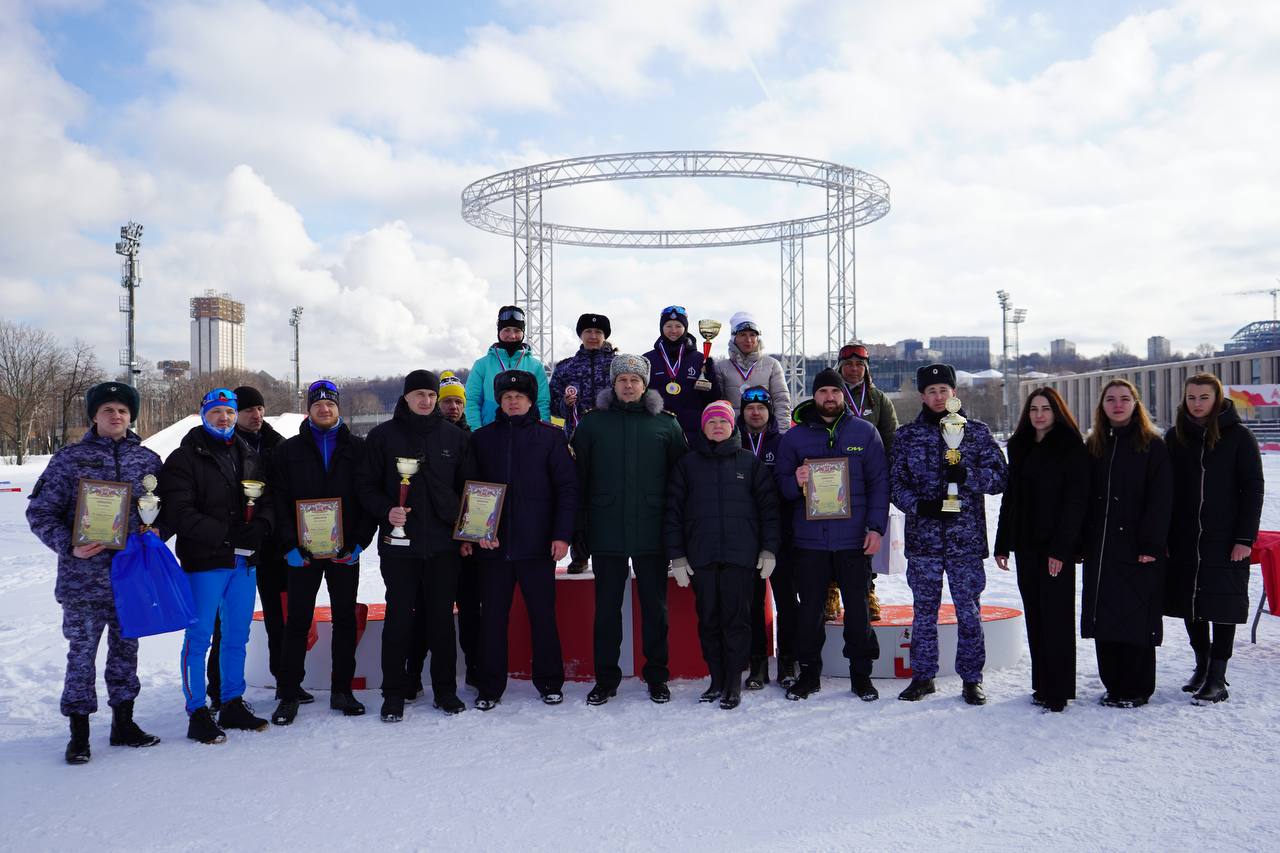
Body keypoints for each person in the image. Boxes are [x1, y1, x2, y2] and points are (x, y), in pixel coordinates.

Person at [26, 382, 162, 763]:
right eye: (108, 410)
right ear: (94, 416)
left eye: (122, 409)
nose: (115, 416)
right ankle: (79, 733)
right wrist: (69, 545)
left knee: (126, 652)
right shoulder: (69, 460)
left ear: (131, 415)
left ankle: (124, 724)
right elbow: (40, 513)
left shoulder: (149, 462)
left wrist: (153, 535)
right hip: (82, 578)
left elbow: (165, 513)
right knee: (81, 654)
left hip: (130, 576)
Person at [159, 388, 274, 743]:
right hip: (205, 562)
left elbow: (267, 498)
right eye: (216, 413)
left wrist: (261, 528)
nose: (223, 418)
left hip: (243, 563)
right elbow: (179, 512)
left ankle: (232, 701)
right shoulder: (185, 457)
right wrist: (227, 534)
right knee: (199, 638)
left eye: (228, 412)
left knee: (237, 635)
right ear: (203, 414)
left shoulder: (248, 453)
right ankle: (196, 709)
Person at [572, 353, 687, 705]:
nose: (628, 385)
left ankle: (657, 677)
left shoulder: (665, 424)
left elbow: (681, 482)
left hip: (652, 533)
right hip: (607, 532)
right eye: (622, 379)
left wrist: (676, 537)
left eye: (635, 380)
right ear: (614, 383)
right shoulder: (593, 425)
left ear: (644, 384)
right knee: (606, 610)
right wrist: (581, 536)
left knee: (655, 609)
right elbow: (578, 482)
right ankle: (605, 679)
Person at [890, 364, 1007, 706]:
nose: (939, 397)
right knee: (923, 612)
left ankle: (971, 679)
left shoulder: (977, 433)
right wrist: (920, 506)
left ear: (954, 393)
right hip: (924, 542)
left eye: (944, 390)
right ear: (922, 396)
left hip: (965, 542)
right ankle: (923, 676)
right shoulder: (907, 436)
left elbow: (1000, 478)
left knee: (968, 612)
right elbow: (896, 484)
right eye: (932, 391)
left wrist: (968, 474)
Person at [357, 370, 469, 722]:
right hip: (398, 546)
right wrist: (386, 510)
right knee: (398, 620)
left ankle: (445, 690)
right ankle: (394, 692)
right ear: (405, 397)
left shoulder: (454, 437)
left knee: (440, 620)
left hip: (442, 547)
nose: (426, 400)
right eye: (419, 394)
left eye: (431, 395)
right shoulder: (382, 437)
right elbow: (365, 486)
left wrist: (467, 534)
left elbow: (469, 491)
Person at [464, 370, 578, 710]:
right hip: (493, 548)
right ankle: (490, 687)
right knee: (493, 620)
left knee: (542, 617)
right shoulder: (481, 439)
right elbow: (470, 488)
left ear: (530, 401)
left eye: (520, 397)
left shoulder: (551, 438)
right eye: (507, 397)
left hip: (537, 546)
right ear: (499, 401)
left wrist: (562, 535)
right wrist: (476, 533)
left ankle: (549, 682)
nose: (513, 401)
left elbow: (568, 490)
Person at [774, 369, 889, 701]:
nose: (829, 397)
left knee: (858, 608)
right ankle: (809, 673)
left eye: (834, 392)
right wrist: (795, 482)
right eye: (823, 391)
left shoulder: (865, 433)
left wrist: (876, 528)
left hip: (853, 540)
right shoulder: (794, 438)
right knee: (809, 611)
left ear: (843, 396)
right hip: (809, 541)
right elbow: (780, 485)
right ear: (814, 396)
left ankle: (861, 675)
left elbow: (880, 483)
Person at [269, 380, 378, 725]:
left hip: (344, 550)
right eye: (318, 405)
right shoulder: (288, 451)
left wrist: (359, 541)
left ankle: (342, 690)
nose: (324, 409)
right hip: (302, 552)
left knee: (344, 619)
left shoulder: (359, 449)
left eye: (330, 404)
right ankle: (288, 693)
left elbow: (368, 499)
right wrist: (288, 545)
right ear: (309, 410)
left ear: (338, 408)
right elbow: (278, 501)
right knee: (297, 621)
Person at [666, 400, 780, 709]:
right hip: (701, 556)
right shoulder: (687, 465)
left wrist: (769, 549)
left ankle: (733, 682)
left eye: (723, 422)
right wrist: (677, 556)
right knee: (709, 621)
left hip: (740, 557)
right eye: (712, 422)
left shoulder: (750, 464)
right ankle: (716, 679)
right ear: (703, 427)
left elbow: (769, 511)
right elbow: (673, 513)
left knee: (736, 621)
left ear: (733, 426)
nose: (718, 426)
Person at [1164, 373, 1263, 705]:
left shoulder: (1239, 437)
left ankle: (1218, 676)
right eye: (1191, 397)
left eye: (1204, 397)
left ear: (1217, 398)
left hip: (1225, 538)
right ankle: (1202, 663)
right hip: (1184, 537)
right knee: (1191, 602)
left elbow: (1253, 490)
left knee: (1223, 603)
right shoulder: (1175, 438)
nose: (1197, 404)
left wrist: (1244, 538)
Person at [993, 388, 1089, 712]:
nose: (1039, 415)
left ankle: (1059, 689)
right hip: (1026, 545)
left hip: (1055, 549)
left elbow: (1075, 504)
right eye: (1033, 409)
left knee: (1057, 617)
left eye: (1045, 409)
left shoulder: (1071, 447)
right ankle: (1042, 683)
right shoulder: (1019, 446)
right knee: (1035, 615)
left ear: (1057, 411)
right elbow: (1011, 498)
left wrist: (1061, 550)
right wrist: (1003, 543)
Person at [1081, 378, 1172, 709]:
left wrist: (1151, 544)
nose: (1117, 405)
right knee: (1104, 618)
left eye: (1124, 399)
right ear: (1102, 406)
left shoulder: (1152, 445)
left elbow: (1161, 500)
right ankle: (1113, 684)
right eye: (1110, 399)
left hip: (1138, 548)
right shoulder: (1095, 445)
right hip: (1101, 550)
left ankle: (1137, 687)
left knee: (1136, 617)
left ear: (1136, 404)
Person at [205, 385, 290, 711]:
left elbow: (282, 495)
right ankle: (217, 688)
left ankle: (284, 680)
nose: (255, 415)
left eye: (259, 409)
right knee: (223, 622)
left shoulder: (278, 444)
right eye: (247, 410)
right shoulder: (222, 444)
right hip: (232, 547)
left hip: (271, 545)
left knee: (278, 616)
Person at [406, 369, 480, 694]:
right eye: (447, 401)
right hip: (432, 540)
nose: (452, 407)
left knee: (469, 606)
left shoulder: (471, 438)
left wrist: (471, 533)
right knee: (424, 608)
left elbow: (475, 490)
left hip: (464, 540)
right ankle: (413, 673)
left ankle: (475, 669)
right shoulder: (427, 437)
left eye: (457, 403)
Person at [737, 385, 798, 689]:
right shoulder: (734, 442)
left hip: (781, 534)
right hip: (747, 535)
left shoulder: (784, 442)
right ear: (743, 412)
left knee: (787, 601)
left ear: (769, 412)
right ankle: (757, 663)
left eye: (761, 408)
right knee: (751, 603)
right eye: (750, 408)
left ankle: (787, 661)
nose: (756, 413)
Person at [549, 313, 616, 574]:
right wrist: (564, 405)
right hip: (576, 442)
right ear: (580, 335)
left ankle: (607, 550)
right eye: (588, 331)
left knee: (607, 497)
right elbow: (553, 404)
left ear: (605, 336)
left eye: (598, 332)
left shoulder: (617, 364)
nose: (593, 336)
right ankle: (580, 553)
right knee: (578, 497)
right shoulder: (566, 367)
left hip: (610, 442)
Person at [837, 342, 898, 622]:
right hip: (834, 479)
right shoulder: (830, 395)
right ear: (840, 367)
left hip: (869, 481)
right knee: (832, 538)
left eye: (859, 364)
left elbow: (891, 441)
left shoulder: (878, 399)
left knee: (868, 537)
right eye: (848, 364)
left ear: (866, 368)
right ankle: (830, 588)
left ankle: (868, 589)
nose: (853, 369)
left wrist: (887, 475)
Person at [644, 305, 723, 441]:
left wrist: (709, 376)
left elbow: (713, 399)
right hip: (656, 430)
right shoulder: (648, 359)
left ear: (685, 328)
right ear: (661, 328)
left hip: (692, 432)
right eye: (668, 326)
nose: (673, 330)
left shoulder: (700, 359)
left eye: (678, 326)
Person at [465, 306, 551, 427]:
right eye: (506, 330)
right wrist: (476, 433)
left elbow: (542, 403)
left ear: (523, 332)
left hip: (528, 435)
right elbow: (471, 402)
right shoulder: (482, 365)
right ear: (498, 331)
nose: (512, 335)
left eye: (517, 330)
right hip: (491, 433)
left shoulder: (536, 366)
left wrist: (543, 432)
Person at [714, 312, 791, 428]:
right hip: (733, 435)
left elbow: (782, 402)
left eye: (752, 335)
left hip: (766, 435)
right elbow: (718, 406)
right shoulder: (721, 367)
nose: (748, 340)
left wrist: (781, 434)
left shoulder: (772, 365)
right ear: (734, 338)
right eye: (743, 335)